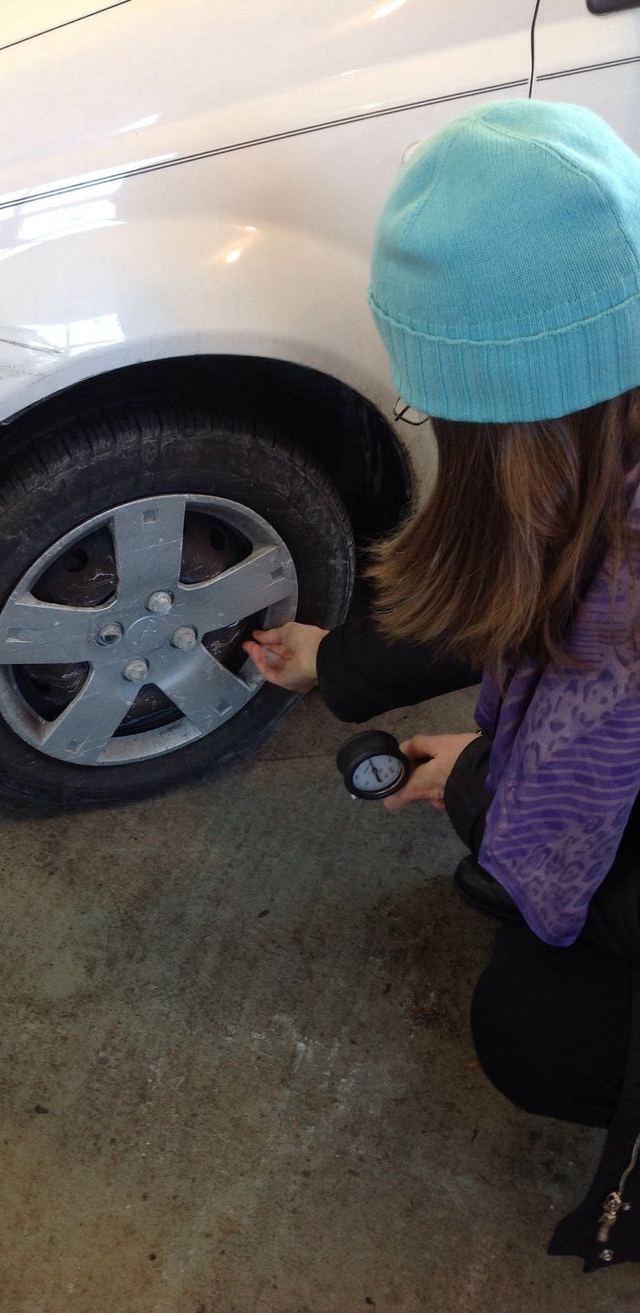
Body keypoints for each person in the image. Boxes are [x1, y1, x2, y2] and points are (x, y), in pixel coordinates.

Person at [244, 99, 640, 1273]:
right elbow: (523, 569)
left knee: (527, 1027)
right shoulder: (602, 486)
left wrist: (483, 786)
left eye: (439, 407)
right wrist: (346, 664)